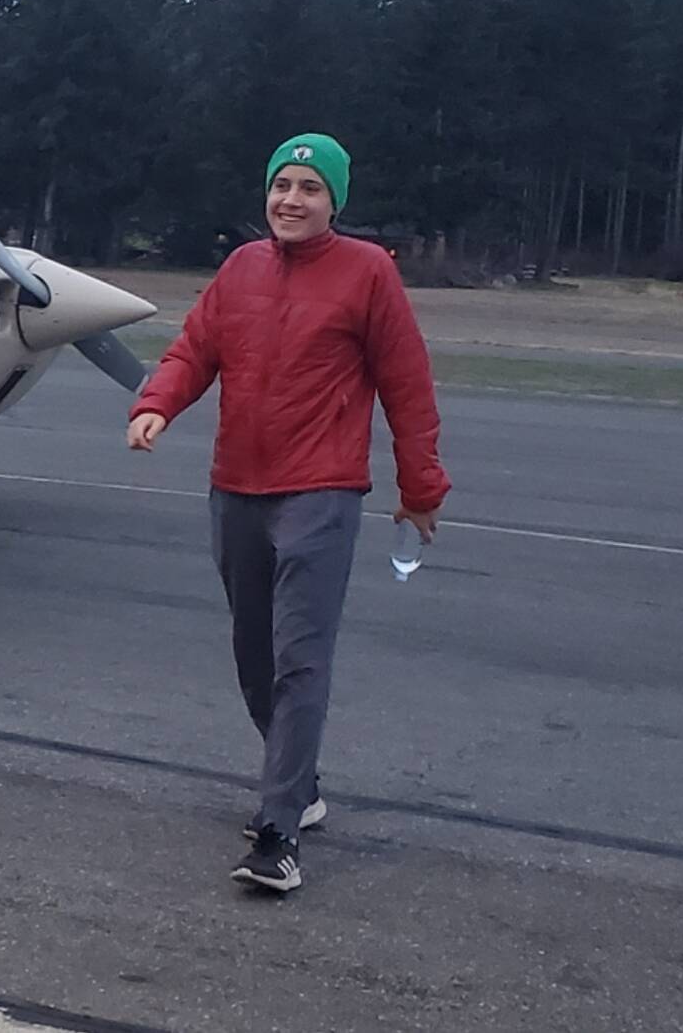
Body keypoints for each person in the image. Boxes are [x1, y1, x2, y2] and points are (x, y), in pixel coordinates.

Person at [126, 132, 450, 894]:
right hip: (237, 486)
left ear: (335, 200)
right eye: (282, 185)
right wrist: (156, 406)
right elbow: (193, 350)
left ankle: (277, 835)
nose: (291, 200)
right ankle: (298, 784)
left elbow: (409, 386)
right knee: (254, 656)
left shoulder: (367, 274)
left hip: (322, 491)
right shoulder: (241, 268)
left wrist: (421, 489)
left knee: (300, 658)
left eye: (310, 188)